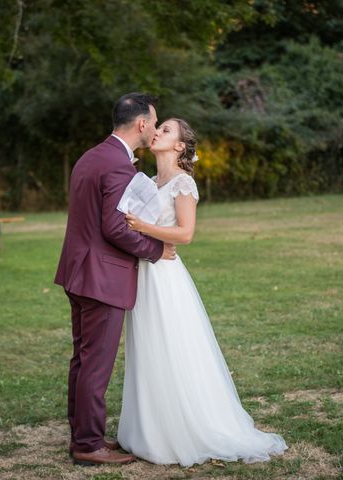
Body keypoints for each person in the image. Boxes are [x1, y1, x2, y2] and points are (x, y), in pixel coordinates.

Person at [118, 118, 288, 467]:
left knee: (172, 345)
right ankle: (151, 428)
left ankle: (187, 427)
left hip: (166, 276)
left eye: (165, 130)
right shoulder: (150, 182)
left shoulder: (183, 183)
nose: (157, 132)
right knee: (149, 348)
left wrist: (142, 227)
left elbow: (185, 234)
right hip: (144, 274)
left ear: (179, 146)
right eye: (158, 128)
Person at [54, 93, 177, 466]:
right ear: (141, 124)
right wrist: (157, 251)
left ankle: (83, 435)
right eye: (154, 123)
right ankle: (88, 445)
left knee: (83, 359)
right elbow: (114, 229)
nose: (154, 129)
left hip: (78, 272)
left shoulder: (92, 157)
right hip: (102, 278)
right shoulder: (118, 167)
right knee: (96, 363)